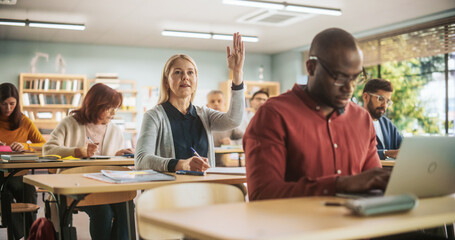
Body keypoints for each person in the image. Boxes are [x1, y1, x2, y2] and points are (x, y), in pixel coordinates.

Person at [243, 28, 390, 201]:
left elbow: (373, 181)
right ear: (311, 68)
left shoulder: (362, 118)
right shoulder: (274, 115)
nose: (349, 88)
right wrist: (338, 185)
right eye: (339, 77)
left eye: (356, 77)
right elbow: (263, 194)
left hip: (355, 224)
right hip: (297, 226)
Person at [135, 33, 245, 172]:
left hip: (203, 188)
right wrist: (181, 165)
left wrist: (237, 72)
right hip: (169, 191)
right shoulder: (154, 116)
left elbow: (233, 120)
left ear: (196, 80)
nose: (185, 77)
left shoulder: (204, 114)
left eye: (190, 73)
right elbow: (141, 160)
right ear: (166, 82)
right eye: (178, 72)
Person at [43, 83, 133, 240]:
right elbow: (48, 150)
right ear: (95, 105)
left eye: (115, 108)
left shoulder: (115, 130)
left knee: (127, 206)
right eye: (109, 107)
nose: (113, 113)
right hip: (74, 185)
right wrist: (76, 151)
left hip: (105, 185)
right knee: (103, 212)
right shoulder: (70, 123)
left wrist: (118, 156)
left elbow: (108, 161)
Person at [0, 82, 46, 239]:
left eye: (12, 104)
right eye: (3, 104)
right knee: (5, 197)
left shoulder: (23, 120)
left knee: (29, 194)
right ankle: (21, 235)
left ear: (17, 103)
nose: (8, 108)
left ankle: (30, 235)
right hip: (0, 174)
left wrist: (25, 145)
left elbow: (44, 145)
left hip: (18, 173)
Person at [362, 79, 402, 159]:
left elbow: (404, 147)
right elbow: (358, 153)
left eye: (387, 101)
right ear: (366, 97)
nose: (384, 105)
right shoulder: (354, 123)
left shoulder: (387, 124)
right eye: (380, 99)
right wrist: (385, 153)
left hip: (390, 171)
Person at [206, 90, 243, 166]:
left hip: (226, 166)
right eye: (212, 101)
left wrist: (232, 143)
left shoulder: (231, 123)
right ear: (207, 106)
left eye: (219, 101)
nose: (216, 104)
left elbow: (245, 139)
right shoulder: (203, 123)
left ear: (225, 104)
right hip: (206, 165)